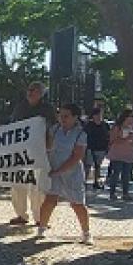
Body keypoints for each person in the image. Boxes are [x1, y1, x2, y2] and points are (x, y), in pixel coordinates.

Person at [37, 103, 92, 244]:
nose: (62, 118)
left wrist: (59, 170)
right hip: (53, 171)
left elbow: (77, 156)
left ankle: (86, 233)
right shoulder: (54, 130)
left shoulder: (81, 134)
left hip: (72, 173)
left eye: (66, 116)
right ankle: (41, 229)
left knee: (77, 204)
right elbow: (46, 147)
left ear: (75, 117)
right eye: (60, 115)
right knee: (49, 200)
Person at [8, 82, 57, 225]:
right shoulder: (20, 107)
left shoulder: (47, 109)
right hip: (20, 151)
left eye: (34, 90)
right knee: (17, 183)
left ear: (41, 93)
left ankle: (39, 217)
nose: (30, 92)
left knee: (38, 186)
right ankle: (21, 215)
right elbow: (12, 126)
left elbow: (53, 128)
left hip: (39, 151)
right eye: (29, 89)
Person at [107, 109, 133, 201]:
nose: (132, 118)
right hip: (117, 154)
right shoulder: (117, 127)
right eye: (130, 116)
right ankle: (112, 193)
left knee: (127, 175)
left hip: (129, 154)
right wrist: (127, 138)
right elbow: (112, 140)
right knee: (116, 173)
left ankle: (125, 194)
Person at [83, 108, 110, 189]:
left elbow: (108, 135)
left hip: (101, 148)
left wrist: (107, 146)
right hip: (90, 147)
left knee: (98, 166)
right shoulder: (89, 125)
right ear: (93, 115)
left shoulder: (105, 125)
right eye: (97, 114)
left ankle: (96, 181)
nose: (99, 116)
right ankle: (83, 181)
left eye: (100, 114)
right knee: (88, 165)